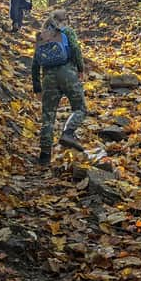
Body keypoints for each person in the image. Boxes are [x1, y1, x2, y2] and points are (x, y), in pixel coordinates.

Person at [31, 9, 87, 166]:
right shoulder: (67, 31)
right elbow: (75, 49)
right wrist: (81, 69)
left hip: (48, 79)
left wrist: (37, 87)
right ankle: (68, 132)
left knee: (48, 116)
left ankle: (44, 156)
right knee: (80, 108)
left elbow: (35, 64)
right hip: (68, 73)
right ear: (65, 20)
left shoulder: (42, 36)